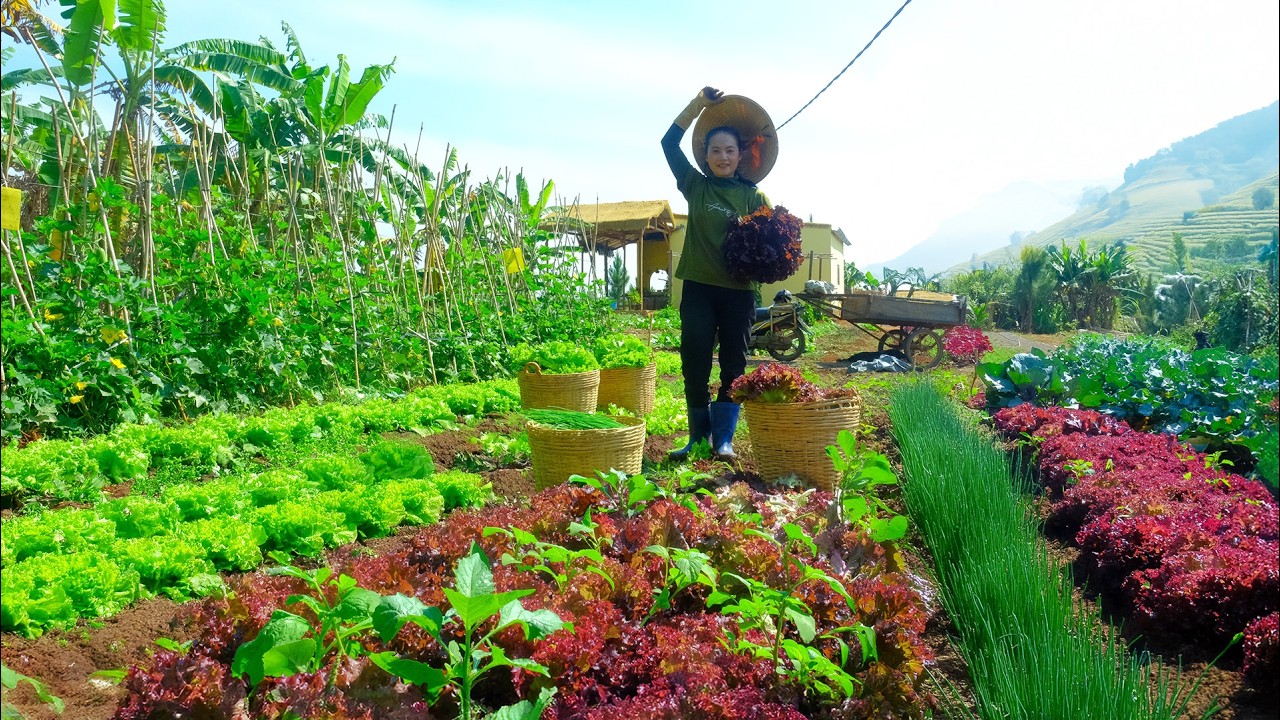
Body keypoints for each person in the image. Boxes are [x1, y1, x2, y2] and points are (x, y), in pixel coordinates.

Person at [661, 86, 778, 461]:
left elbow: (775, 244)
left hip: (738, 294)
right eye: (715, 151)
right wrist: (698, 105)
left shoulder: (754, 197)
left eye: (729, 150)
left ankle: (723, 440)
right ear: (706, 157)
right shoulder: (695, 185)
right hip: (698, 288)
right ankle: (697, 438)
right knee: (693, 358)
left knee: (734, 364)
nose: (722, 157)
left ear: (740, 155)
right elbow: (668, 142)